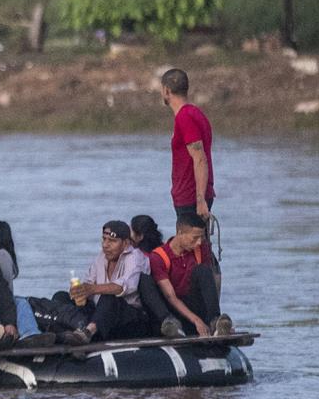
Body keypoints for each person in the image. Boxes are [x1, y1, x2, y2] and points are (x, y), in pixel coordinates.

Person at [146, 211, 234, 339]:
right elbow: (171, 297)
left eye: (201, 238)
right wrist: (196, 320)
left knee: (203, 270)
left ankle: (215, 322)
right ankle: (173, 327)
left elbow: (210, 283)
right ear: (180, 233)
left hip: (195, 304)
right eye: (194, 238)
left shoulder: (201, 250)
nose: (198, 242)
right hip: (175, 310)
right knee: (146, 280)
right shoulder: (158, 257)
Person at [72, 219, 148, 341]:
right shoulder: (101, 256)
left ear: (125, 243)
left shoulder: (134, 257)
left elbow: (126, 286)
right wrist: (80, 292)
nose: (105, 245)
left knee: (109, 297)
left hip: (129, 318)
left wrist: (92, 289)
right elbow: (89, 281)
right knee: (62, 296)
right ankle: (70, 331)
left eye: (112, 241)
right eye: (104, 239)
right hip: (101, 314)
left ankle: (87, 333)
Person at [159, 68, 215, 223]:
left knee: (191, 245)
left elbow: (200, 158)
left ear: (166, 90)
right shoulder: (194, 113)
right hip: (189, 195)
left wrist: (200, 199)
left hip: (190, 196)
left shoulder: (185, 117)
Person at [0, 220, 45, 343]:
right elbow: (4, 291)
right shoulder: (1, 254)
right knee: (22, 303)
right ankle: (30, 335)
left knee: (23, 302)